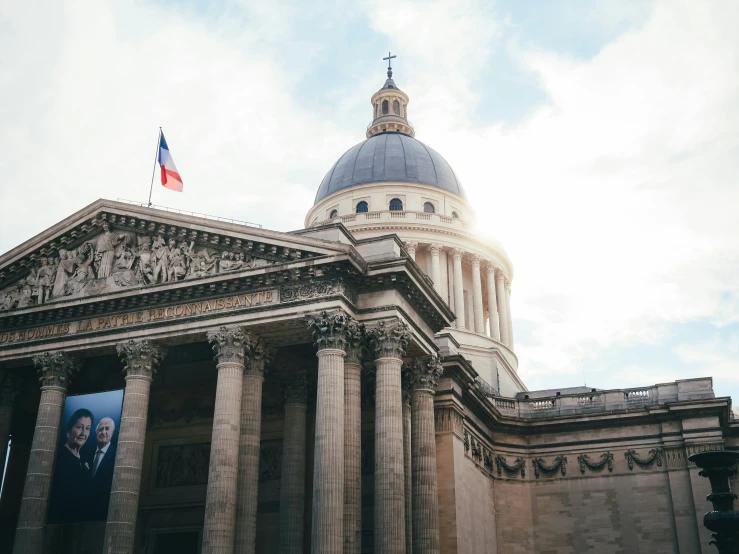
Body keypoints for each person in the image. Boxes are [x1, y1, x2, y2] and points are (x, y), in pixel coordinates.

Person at [47, 408, 93, 524]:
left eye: (87, 429)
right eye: (79, 427)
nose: (83, 433)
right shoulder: (59, 457)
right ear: (68, 431)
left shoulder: (84, 461)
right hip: (60, 517)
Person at [82, 417, 117, 519]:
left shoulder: (117, 455)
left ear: (113, 433)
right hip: (83, 510)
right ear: (96, 432)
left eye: (107, 429)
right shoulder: (85, 453)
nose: (104, 432)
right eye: (101, 429)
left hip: (106, 511)